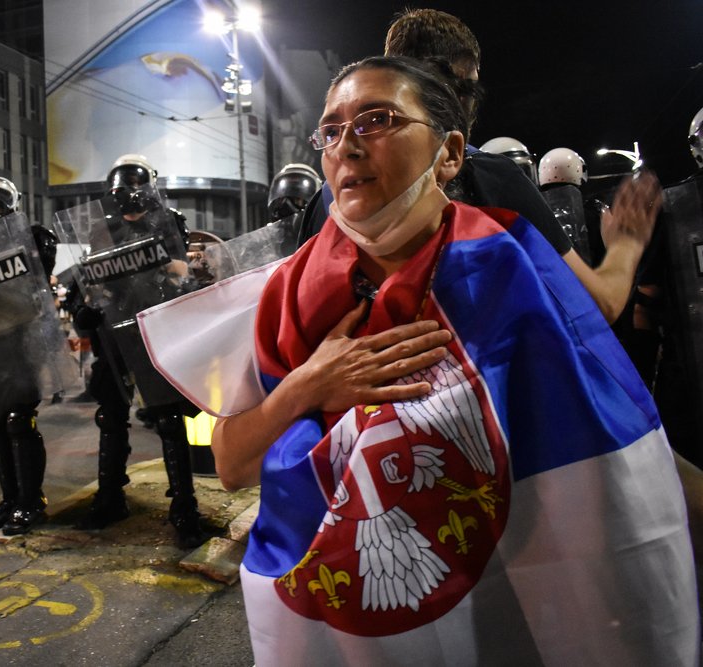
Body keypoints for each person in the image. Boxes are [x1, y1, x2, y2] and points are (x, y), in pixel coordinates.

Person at [208, 56, 693, 664]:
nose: (346, 148)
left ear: (451, 152)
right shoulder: (289, 292)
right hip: (339, 618)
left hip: (506, 589)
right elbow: (231, 464)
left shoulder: (510, 262)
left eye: (376, 120)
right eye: (331, 131)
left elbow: (593, 441)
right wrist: (305, 387)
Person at [299, 9, 659, 326]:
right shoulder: (488, 175)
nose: (347, 147)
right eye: (332, 132)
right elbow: (594, 308)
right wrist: (626, 244)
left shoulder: (322, 202)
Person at [67, 154, 213, 549]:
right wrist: (83, 303)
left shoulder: (169, 222)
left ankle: (184, 507)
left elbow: (183, 274)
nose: (129, 201)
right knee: (110, 415)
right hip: (114, 335)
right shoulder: (102, 231)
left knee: (167, 419)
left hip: (153, 328)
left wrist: (167, 274)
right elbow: (90, 277)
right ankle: (110, 496)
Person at [0, 176, 58, 535]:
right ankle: (10, 497)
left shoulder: (31, 237)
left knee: (18, 420)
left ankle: (30, 500)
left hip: (21, 343)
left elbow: (40, 275)